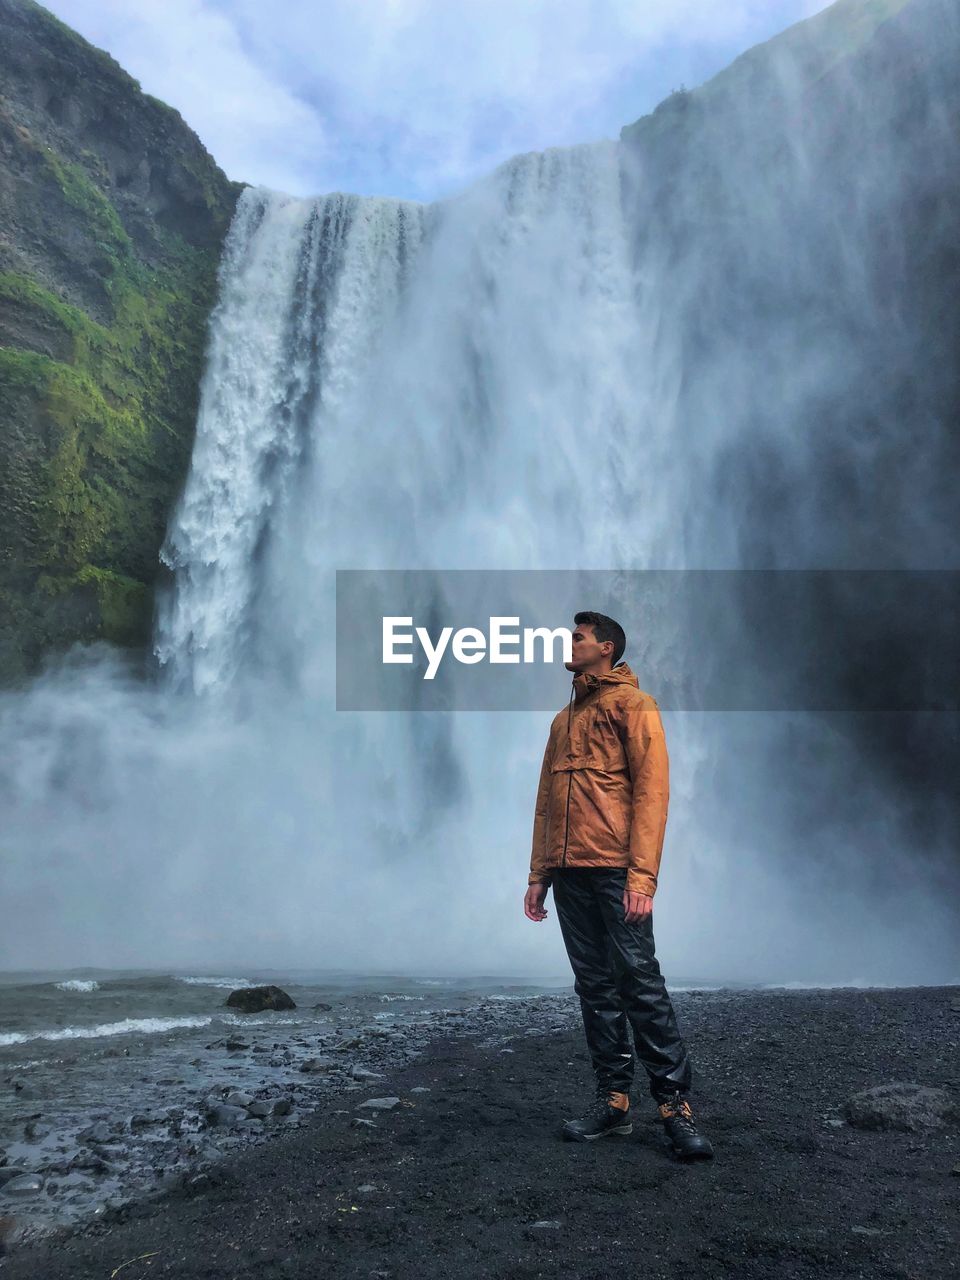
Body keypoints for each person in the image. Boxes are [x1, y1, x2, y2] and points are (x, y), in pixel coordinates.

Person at [523, 611, 713, 1160]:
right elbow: (544, 805)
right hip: (567, 875)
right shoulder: (561, 721)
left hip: (614, 870)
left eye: (577, 637)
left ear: (606, 648)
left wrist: (642, 878)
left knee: (640, 984)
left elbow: (653, 796)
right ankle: (613, 1104)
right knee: (595, 988)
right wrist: (538, 875)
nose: (569, 643)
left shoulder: (636, 707)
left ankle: (675, 1107)